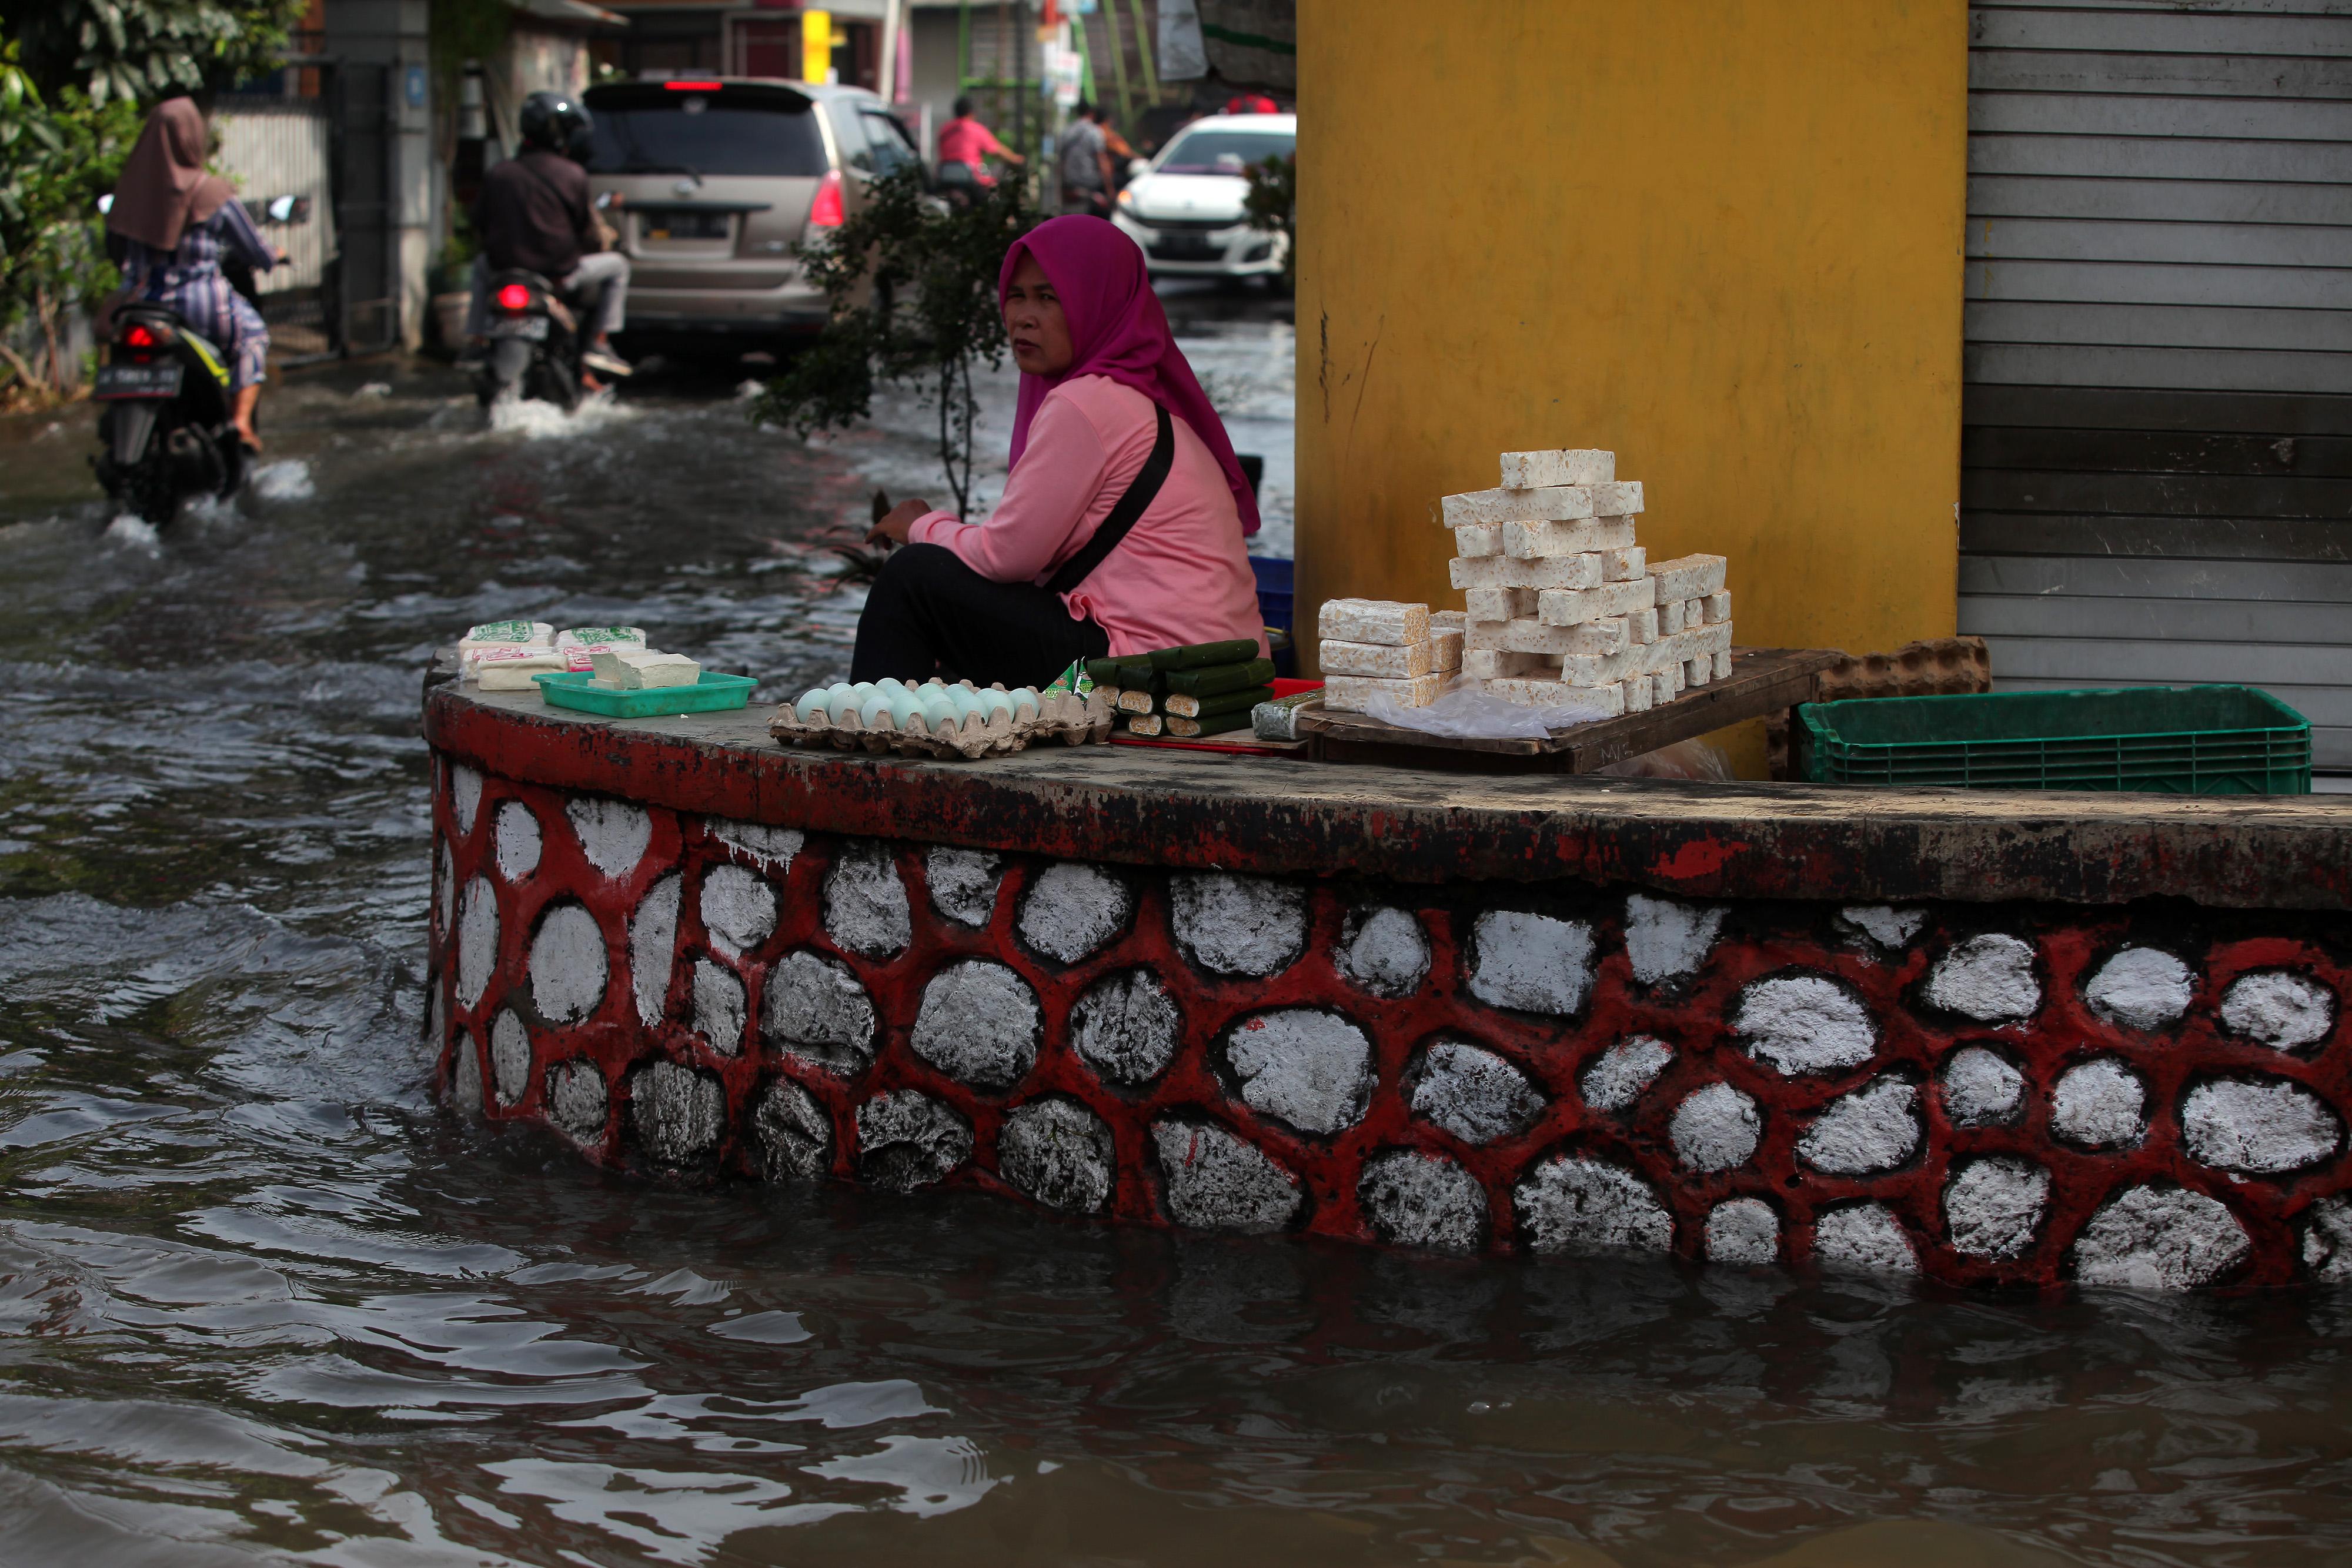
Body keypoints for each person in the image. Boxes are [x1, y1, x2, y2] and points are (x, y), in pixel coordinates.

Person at [852, 216, 1265, 689]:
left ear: (1100, 303)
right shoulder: (1140, 405)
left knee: (912, 576)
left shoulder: (1085, 403)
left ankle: (865, 730)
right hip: (1221, 676)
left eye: (1049, 298)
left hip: (1140, 682)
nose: (1024, 317)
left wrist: (921, 526)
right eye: (1016, 296)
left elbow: (1006, 557)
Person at [105, 97, 284, 452]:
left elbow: (114, 250)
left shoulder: (128, 193)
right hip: (201, 306)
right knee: (253, 336)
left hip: (141, 306)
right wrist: (273, 256)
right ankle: (241, 423)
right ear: (192, 137)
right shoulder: (211, 191)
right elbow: (254, 250)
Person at [467, 91, 632, 382]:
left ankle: (476, 341)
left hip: (504, 272)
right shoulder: (572, 174)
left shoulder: (500, 173)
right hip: (558, 277)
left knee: (480, 265)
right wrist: (604, 243)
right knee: (618, 265)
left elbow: (478, 223)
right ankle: (599, 343)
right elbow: (588, 233)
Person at [937, 96, 1025, 188]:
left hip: (945, 177)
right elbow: (997, 151)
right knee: (993, 187)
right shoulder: (975, 129)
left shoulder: (944, 130)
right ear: (972, 113)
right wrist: (1016, 159)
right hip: (970, 178)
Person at [1058, 101, 1115, 217]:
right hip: (1091, 183)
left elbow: (1062, 160)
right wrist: (1110, 189)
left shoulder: (1067, 131)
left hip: (1070, 182)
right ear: (1091, 113)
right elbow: (1101, 161)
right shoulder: (1095, 132)